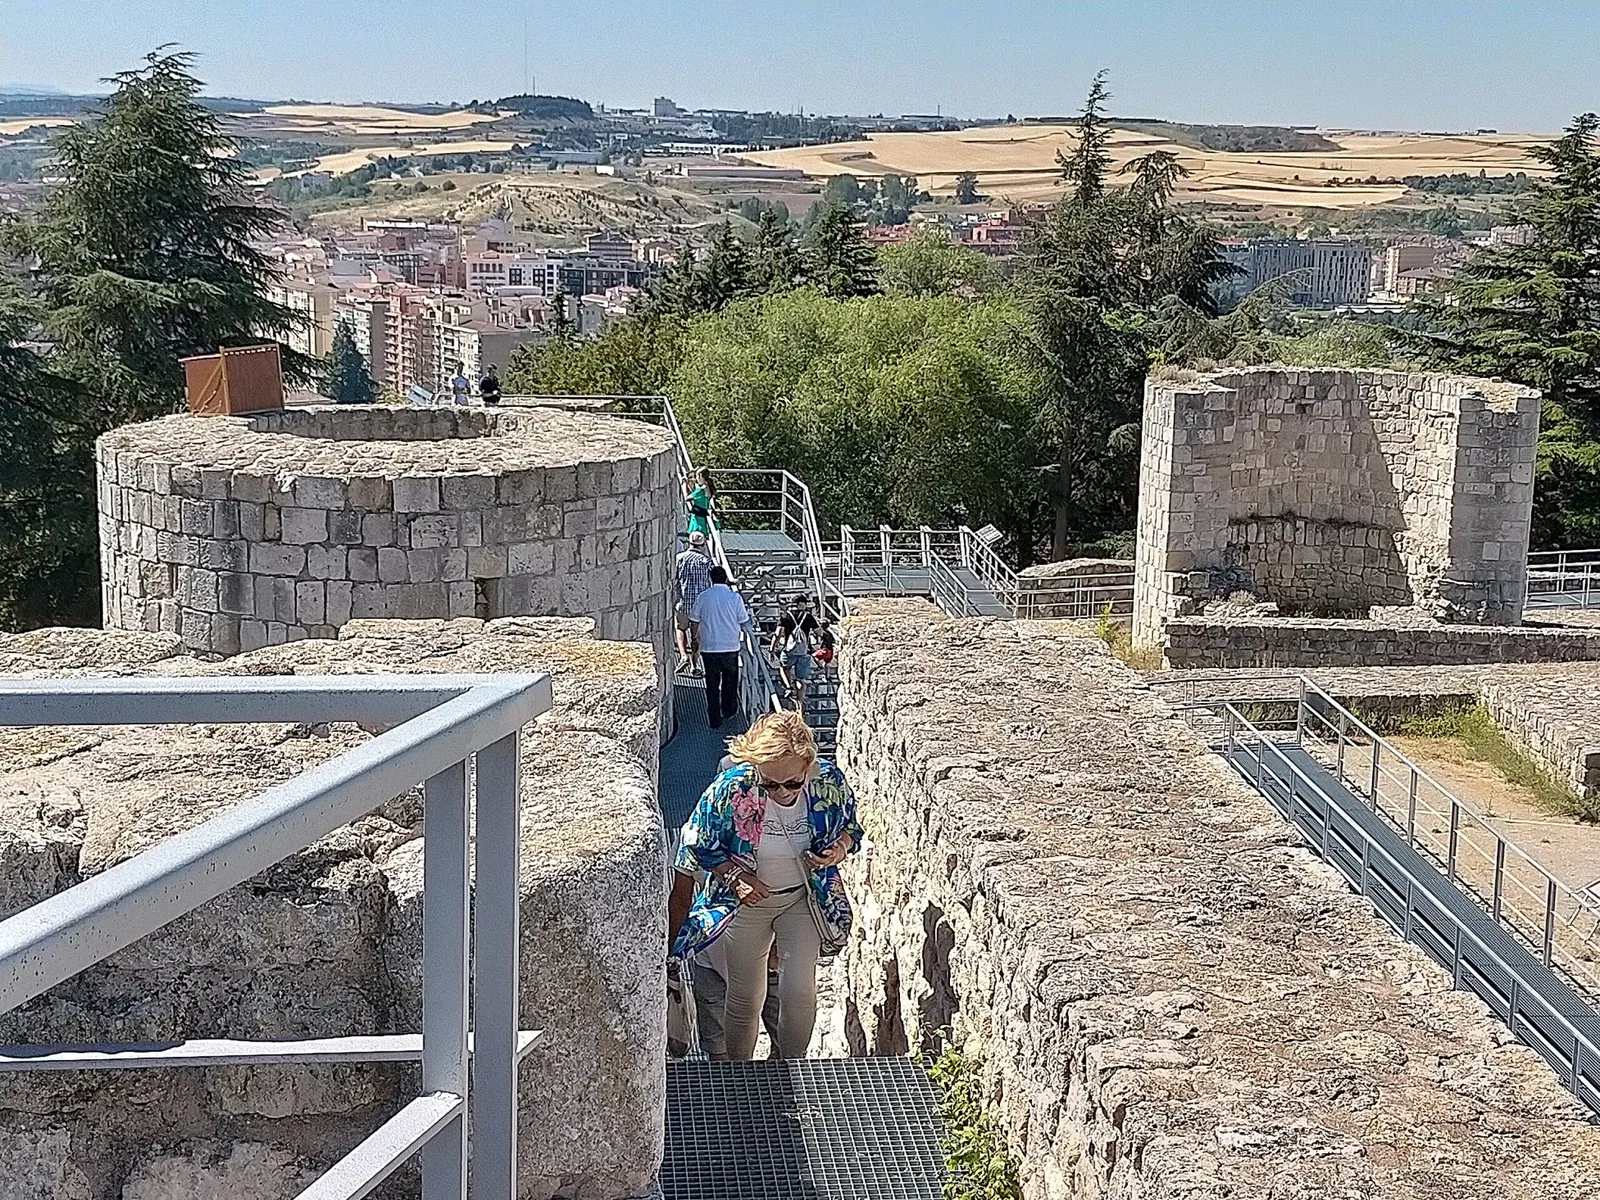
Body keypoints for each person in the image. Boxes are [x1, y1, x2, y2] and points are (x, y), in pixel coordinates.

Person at [673, 711, 862, 1060]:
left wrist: (839, 849)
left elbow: (852, 829)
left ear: (808, 766)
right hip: (746, 904)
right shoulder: (731, 788)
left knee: (799, 990)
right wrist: (735, 877)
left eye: (792, 783)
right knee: (746, 997)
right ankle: (741, 1074)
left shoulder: (829, 783)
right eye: (769, 784)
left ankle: (790, 1069)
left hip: (800, 899)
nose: (781, 792)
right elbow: (697, 842)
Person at [691, 564, 749, 730]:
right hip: (730, 646)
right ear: (725, 579)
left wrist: (694, 638)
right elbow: (743, 620)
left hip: (710, 647)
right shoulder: (734, 598)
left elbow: (694, 620)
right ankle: (729, 712)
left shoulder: (704, 597)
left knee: (712, 684)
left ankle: (714, 719)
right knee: (730, 682)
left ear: (711, 579)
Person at [674, 530, 714, 676]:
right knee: (696, 636)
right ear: (702, 545)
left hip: (683, 602)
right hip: (701, 606)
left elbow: (674, 578)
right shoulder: (706, 562)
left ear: (689, 543)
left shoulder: (679, 558)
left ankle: (683, 655)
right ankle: (694, 665)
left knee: (680, 629)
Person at [770, 608, 813, 708]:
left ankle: (788, 687)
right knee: (801, 680)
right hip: (803, 652)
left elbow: (777, 634)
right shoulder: (808, 617)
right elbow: (819, 632)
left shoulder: (785, 616)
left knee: (784, 667)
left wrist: (772, 649)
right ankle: (800, 704)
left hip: (789, 651)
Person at [684, 468, 717, 540]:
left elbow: (687, 498)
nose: (696, 478)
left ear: (702, 477)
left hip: (697, 518)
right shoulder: (707, 488)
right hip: (703, 516)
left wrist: (685, 485)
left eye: (698, 476)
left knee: (694, 538)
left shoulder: (700, 490)